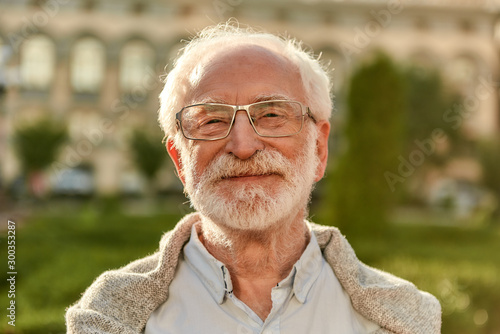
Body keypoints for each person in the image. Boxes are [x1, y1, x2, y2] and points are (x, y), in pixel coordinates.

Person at [66, 22, 441, 334]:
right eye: (211, 120)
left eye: (272, 115)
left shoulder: (405, 318)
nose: (243, 145)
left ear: (320, 150)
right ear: (180, 160)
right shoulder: (108, 317)